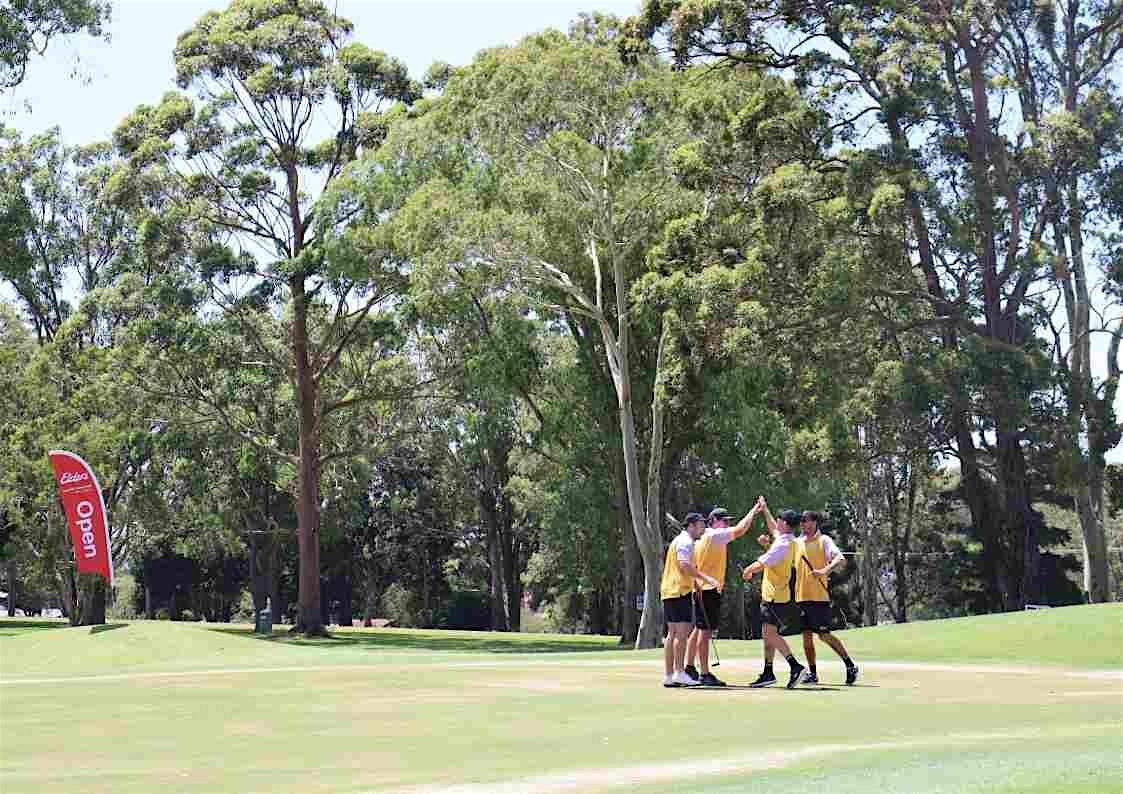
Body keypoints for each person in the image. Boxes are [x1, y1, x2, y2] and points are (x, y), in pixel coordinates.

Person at [684, 499, 764, 686]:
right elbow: (741, 530)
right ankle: (704, 673)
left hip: (702, 588)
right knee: (704, 632)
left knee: (698, 629)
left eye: (728, 521)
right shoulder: (714, 535)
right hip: (709, 589)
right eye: (724, 521)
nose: (727, 524)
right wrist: (754, 510)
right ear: (712, 521)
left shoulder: (702, 538)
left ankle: (689, 667)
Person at [742, 503, 808, 689]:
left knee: (770, 634)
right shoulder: (787, 539)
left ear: (785, 523)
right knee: (767, 634)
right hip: (776, 594)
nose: (776, 521)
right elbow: (773, 529)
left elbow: (764, 561)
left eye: (779, 519)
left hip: (774, 596)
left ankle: (795, 666)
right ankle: (768, 672)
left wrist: (748, 571)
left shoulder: (782, 544)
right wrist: (765, 510)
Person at [795, 510, 859, 685]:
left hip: (819, 598)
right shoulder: (798, 542)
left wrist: (823, 571)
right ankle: (813, 674)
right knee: (806, 638)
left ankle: (850, 664)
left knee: (823, 635)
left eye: (806, 521)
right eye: (801, 521)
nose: (802, 524)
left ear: (814, 522)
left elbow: (839, 559)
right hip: (801, 597)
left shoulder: (824, 540)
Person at [661, 512, 719, 688]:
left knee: (672, 635)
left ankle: (670, 675)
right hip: (679, 591)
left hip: (670, 590)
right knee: (681, 634)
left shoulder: (681, 540)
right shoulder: (686, 542)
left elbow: (682, 567)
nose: (703, 529)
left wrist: (695, 583)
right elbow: (684, 564)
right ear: (692, 526)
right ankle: (679, 673)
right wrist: (706, 579)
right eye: (701, 525)